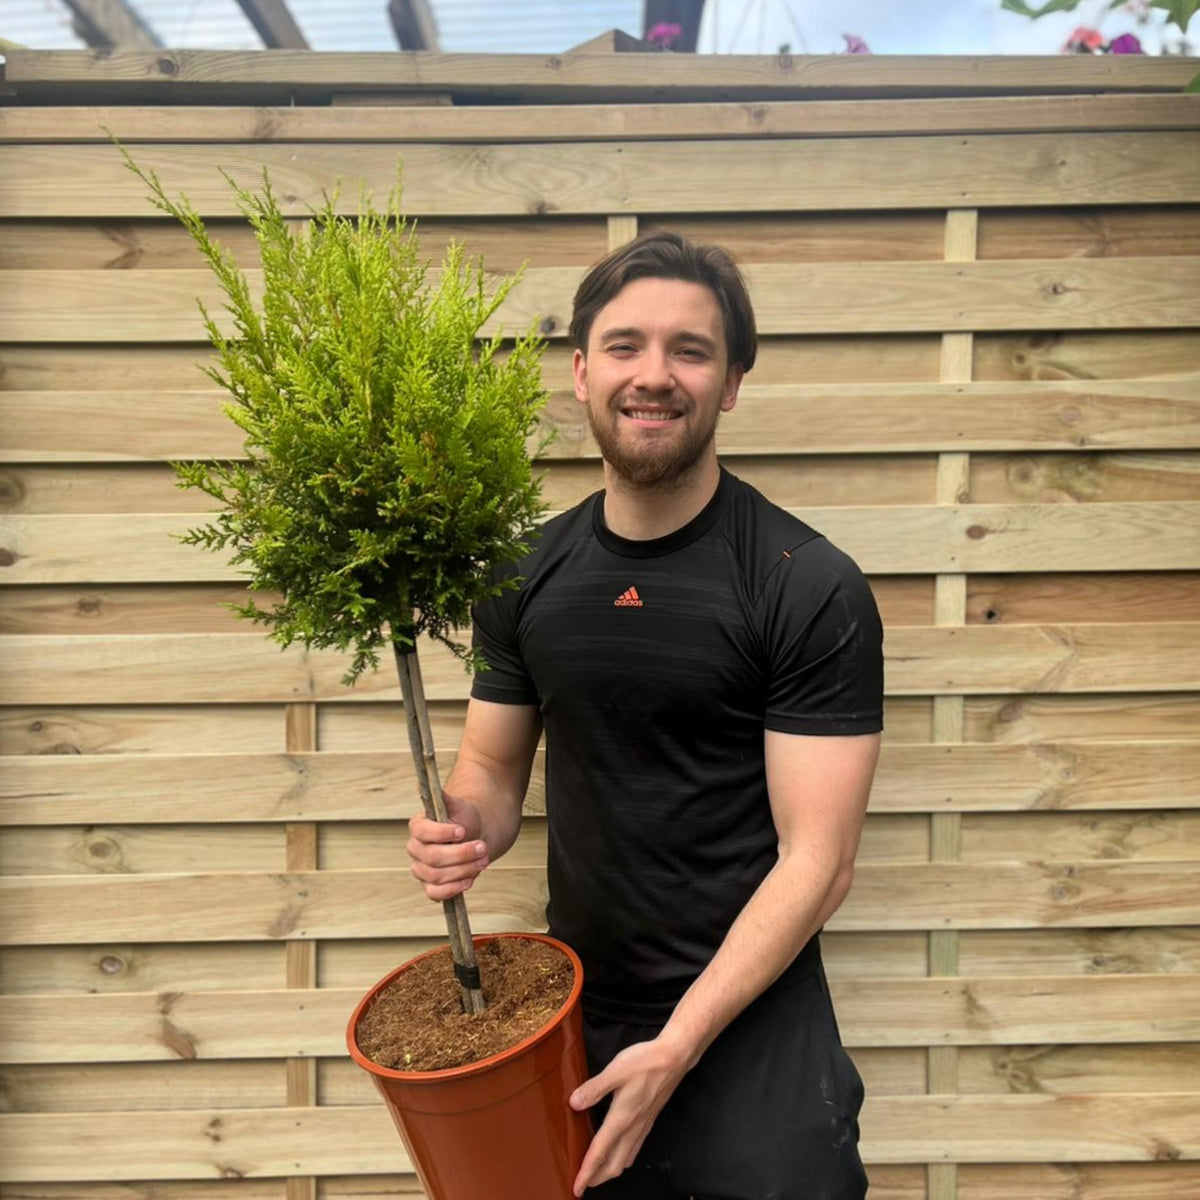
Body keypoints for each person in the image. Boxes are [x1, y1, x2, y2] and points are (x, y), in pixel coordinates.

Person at [407, 231, 883, 1200]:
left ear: (733, 382)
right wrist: (461, 831)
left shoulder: (805, 586)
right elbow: (492, 778)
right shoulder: (522, 576)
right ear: (582, 373)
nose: (653, 375)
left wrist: (679, 1044)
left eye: (690, 350)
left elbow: (819, 863)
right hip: (574, 1013)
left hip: (752, 1021)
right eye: (624, 346)